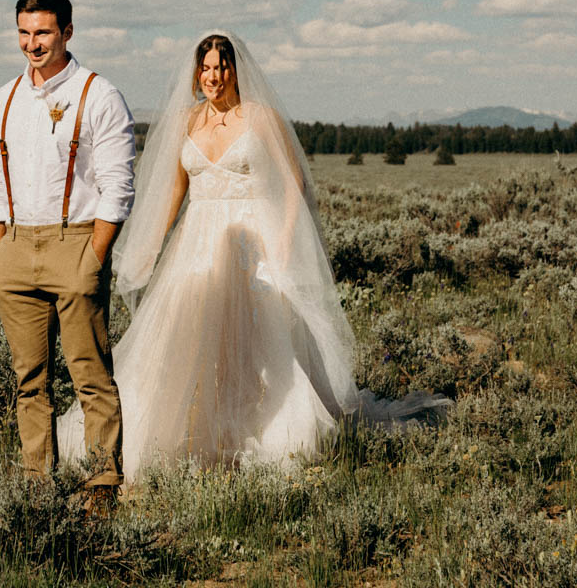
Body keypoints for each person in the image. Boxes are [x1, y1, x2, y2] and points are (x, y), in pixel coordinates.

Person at [59, 31, 447, 476]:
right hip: (200, 243)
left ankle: (260, 428)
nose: (213, 77)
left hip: (254, 239)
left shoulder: (259, 117)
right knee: (194, 335)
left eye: (222, 67)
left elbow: (293, 181)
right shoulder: (188, 121)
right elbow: (174, 190)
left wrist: (282, 240)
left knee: (262, 341)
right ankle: (193, 433)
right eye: (205, 68)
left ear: (237, 72)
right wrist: (151, 243)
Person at [0, 0, 137, 504]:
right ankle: (36, 487)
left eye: (43, 31)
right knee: (30, 380)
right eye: (24, 32)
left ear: (67, 32)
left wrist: (94, 255)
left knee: (90, 376)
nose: (32, 43)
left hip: (76, 243)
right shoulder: (3, 100)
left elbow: (118, 185)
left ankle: (101, 484)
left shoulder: (99, 94)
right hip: (16, 247)